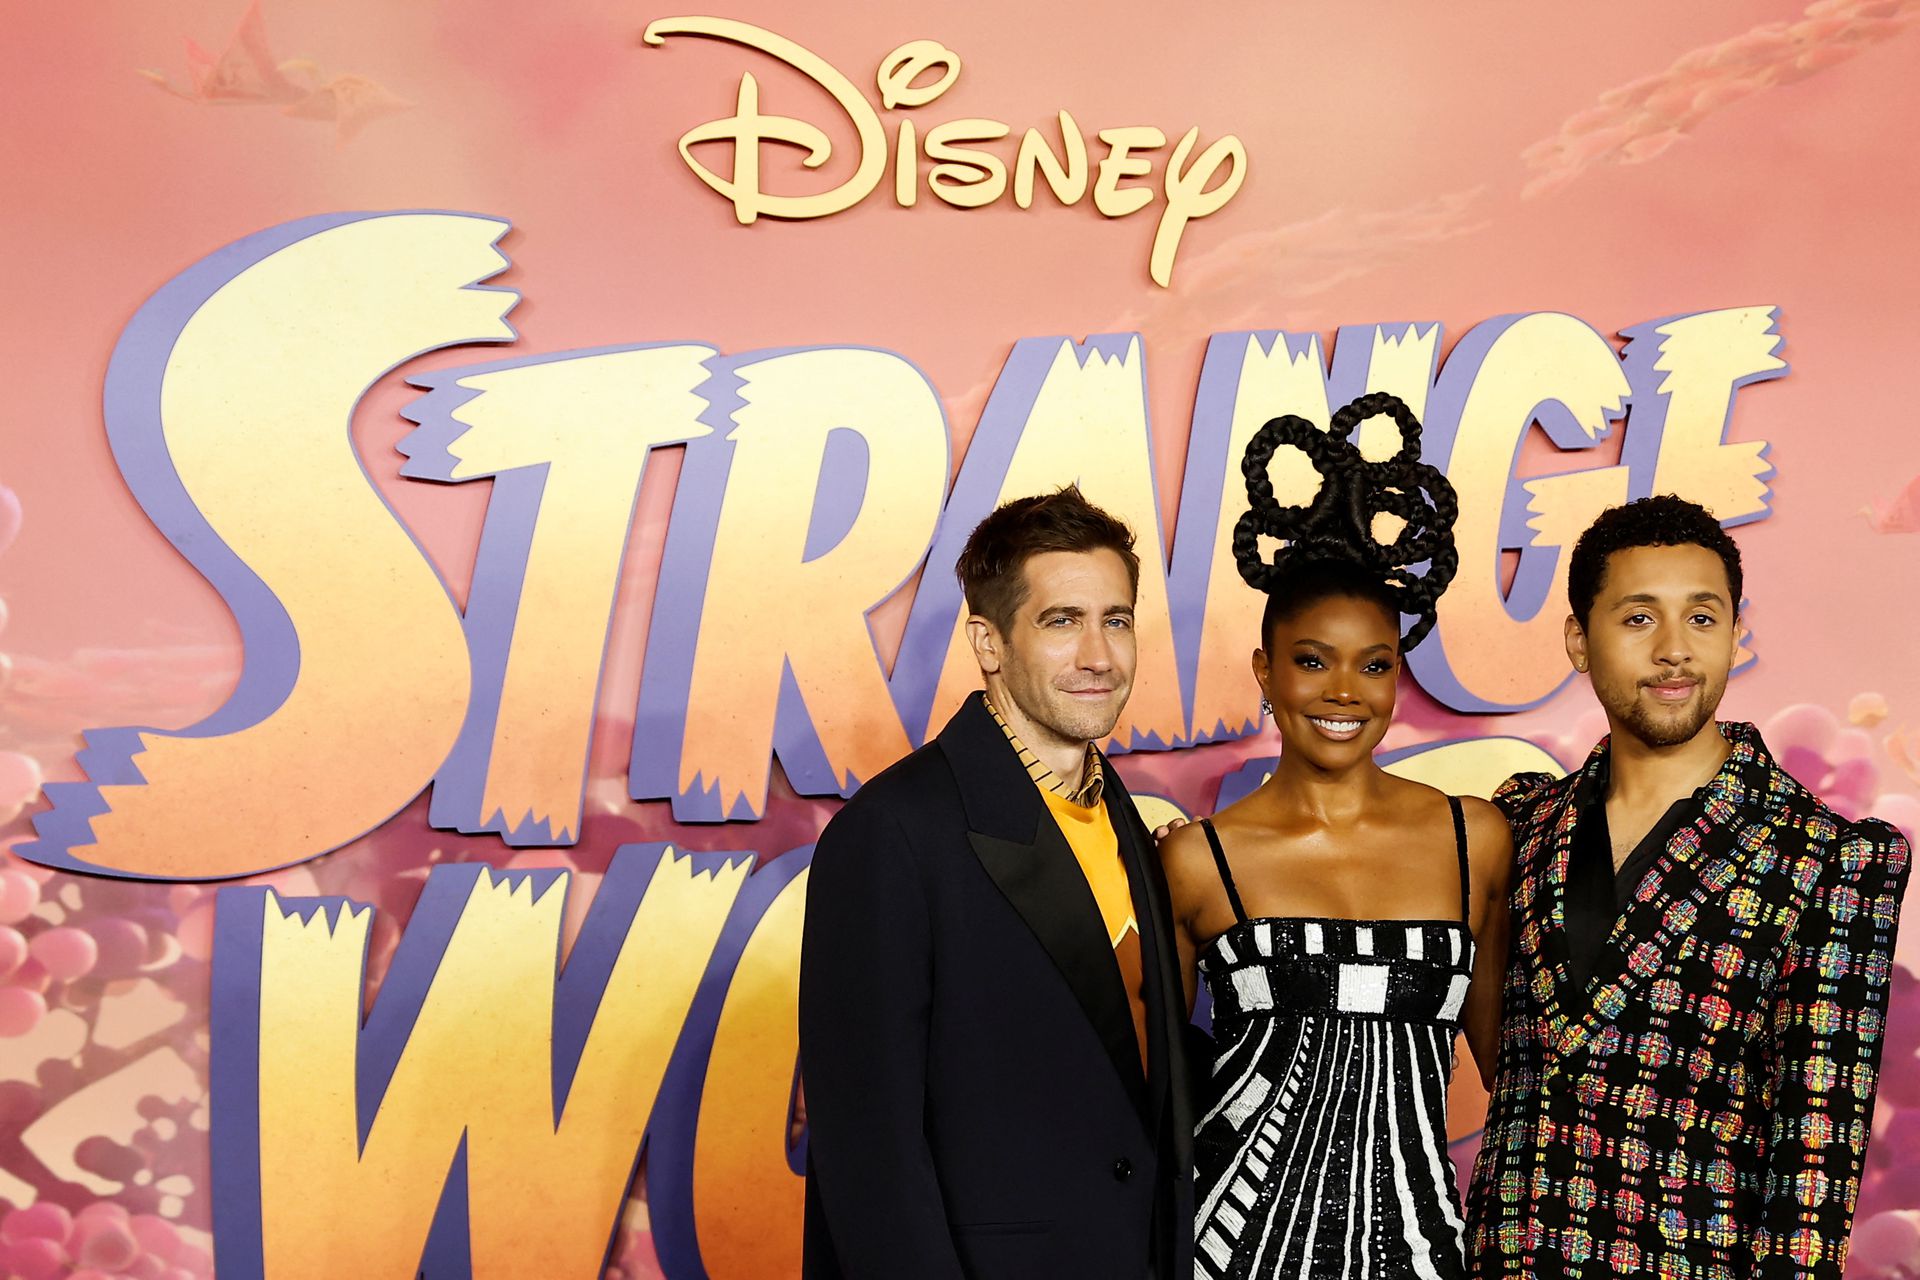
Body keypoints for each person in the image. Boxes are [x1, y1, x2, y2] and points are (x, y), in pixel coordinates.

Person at [1466, 494, 1911, 1279]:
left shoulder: (1827, 857)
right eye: (1639, 618)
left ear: (1736, 635)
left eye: (1702, 618)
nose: (1675, 650)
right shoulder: (1522, 823)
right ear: (1579, 639)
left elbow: (1813, 1175)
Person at [1159, 393, 1514, 1279]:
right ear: (1266, 671)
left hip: (1421, 1251)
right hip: (1231, 1250)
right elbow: (1142, 1085)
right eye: (1312, 660)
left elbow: (1515, 1080)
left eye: (1374, 664)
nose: (1344, 691)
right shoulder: (1198, 859)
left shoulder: (1473, 840)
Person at [798, 486, 1193, 1280]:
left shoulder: (1124, 815)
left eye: (1116, 620)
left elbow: (1121, 1065)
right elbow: (869, 1155)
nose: (1099, 656)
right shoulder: (892, 833)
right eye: (1062, 621)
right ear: (988, 642)